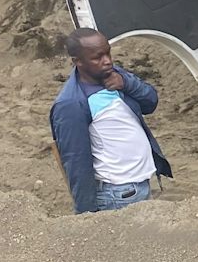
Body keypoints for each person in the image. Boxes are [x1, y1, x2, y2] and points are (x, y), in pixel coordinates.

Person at [49, 29, 171, 215]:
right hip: (117, 195)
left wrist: (126, 83)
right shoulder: (71, 104)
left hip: (139, 184)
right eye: (98, 57)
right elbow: (76, 162)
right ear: (77, 62)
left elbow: (150, 102)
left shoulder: (112, 75)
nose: (107, 61)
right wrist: (86, 215)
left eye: (108, 53)